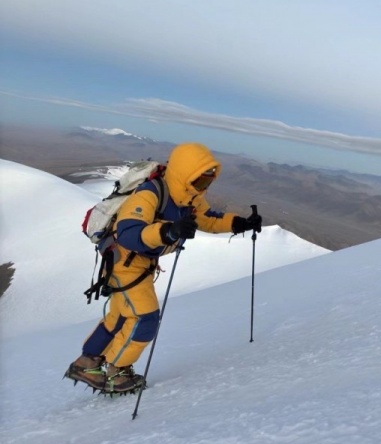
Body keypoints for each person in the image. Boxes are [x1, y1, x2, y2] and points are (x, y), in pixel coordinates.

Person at [65, 142, 263, 393]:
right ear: (184, 174)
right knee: (145, 318)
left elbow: (207, 219)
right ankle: (116, 372)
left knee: (120, 316)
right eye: (200, 181)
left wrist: (240, 223)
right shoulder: (150, 193)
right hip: (125, 265)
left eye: (206, 182)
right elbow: (128, 232)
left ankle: (86, 363)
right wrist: (168, 231)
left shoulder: (189, 197)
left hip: (138, 264)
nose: (203, 188)